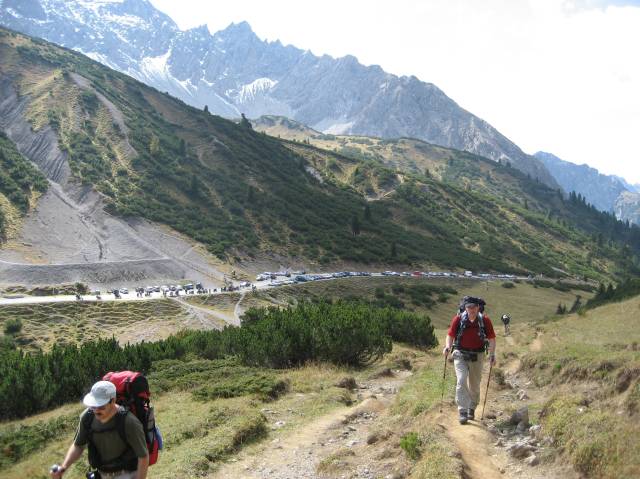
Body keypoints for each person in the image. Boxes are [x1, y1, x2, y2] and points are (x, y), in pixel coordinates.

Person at [50, 381, 149, 479]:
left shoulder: (129, 422)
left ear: (113, 401)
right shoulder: (87, 417)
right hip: (101, 474)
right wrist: (63, 467)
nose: (96, 410)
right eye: (93, 405)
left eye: (101, 406)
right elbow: (78, 445)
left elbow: (143, 456)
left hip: (127, 474)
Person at [443, 296, 497, 424]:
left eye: (473, 307)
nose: (471, 309)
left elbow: (492, 339)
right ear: (465, 308)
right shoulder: (458, 319)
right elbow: (450, 335)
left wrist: (492, 354)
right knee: (461, 380)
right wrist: (447, 347)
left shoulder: (485, 320)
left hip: (477, 355)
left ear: (478, 308)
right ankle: (462, 410)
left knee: (474, 385)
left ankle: (471, 408)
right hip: (460, 353)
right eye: (468, 307)